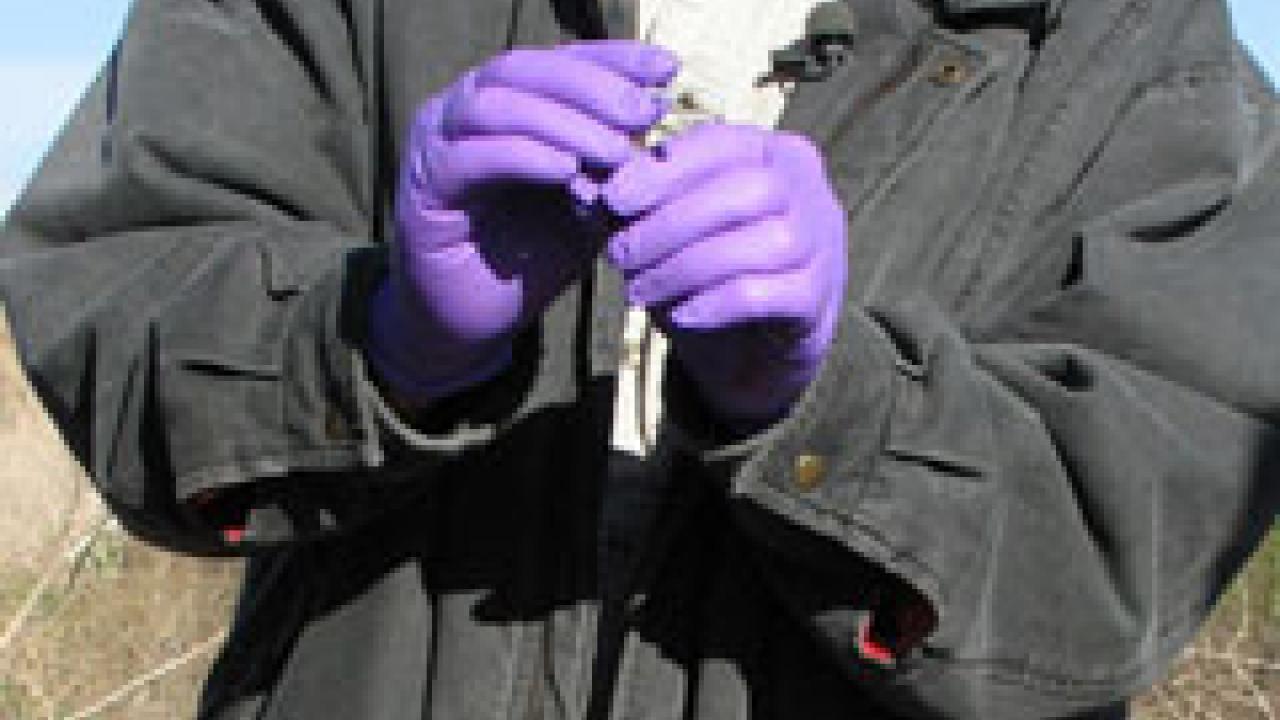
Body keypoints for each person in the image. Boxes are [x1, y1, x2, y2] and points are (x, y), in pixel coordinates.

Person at [1, 0, 1277, 717]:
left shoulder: (1136, 48)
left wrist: (826, 410)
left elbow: (1133, 541)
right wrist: (382, 337)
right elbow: (116, 289)